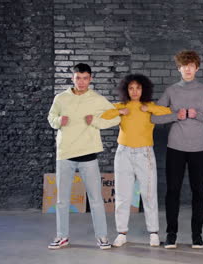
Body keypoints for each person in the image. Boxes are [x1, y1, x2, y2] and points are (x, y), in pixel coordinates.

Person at [151, 50, 203, 249]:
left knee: (199, 191)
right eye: (184, 65)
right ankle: (171, 234)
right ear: (179, 68)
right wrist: (175, 115)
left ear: (197, 68)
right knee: (173, 191)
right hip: (176, 148)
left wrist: (195, 114)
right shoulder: (171, 91)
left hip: (199, 148)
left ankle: (196, 235)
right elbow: (155, 117)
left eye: (191, 65)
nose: (187, 69)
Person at [47, 63, 120, 250]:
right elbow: (51, 117)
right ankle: (62, 236)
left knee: (95, 199)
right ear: (72, 78)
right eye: (78, 78)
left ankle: (102, 237)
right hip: (65, 154)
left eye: (85, 78)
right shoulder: (61, 98)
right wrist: (58, 121)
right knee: (62, 200)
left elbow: (116, 117)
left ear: (90, 79)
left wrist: (95, 121)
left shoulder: (96, 99)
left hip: (88, 154)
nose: (81, 82)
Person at [100, 74, 172, 248]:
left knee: (149, 194)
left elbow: (168, 112)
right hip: (123, 153)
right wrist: (119, 112)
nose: (134, 91)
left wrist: (150, 110)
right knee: (123, 195)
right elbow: (103, 115)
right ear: (126, 90)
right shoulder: (121, 106)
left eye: (138, 88)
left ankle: (153, 233)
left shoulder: (150, 106)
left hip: (144, 154)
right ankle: (121, 233)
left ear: (143, 89)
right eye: (131, 88)